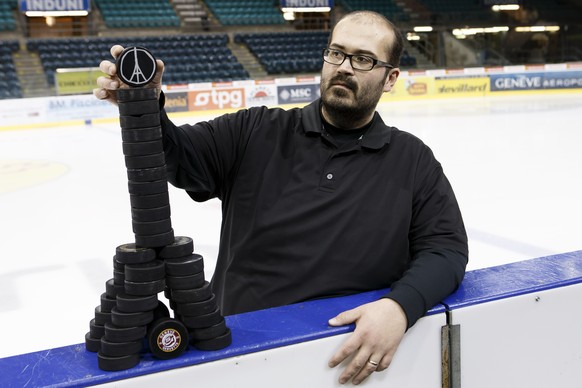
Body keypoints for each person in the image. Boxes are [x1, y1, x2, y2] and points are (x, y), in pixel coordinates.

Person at [95, 10, 468, 385]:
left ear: (390, 78)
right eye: (336, 53)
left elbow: (447, 249)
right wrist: (144, 108)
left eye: (363, 59)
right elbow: (179, 157)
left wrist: (399, 307)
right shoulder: (254, 131)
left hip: (346, 363)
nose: (344, 67)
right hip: (240, 358)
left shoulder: (412, 159)